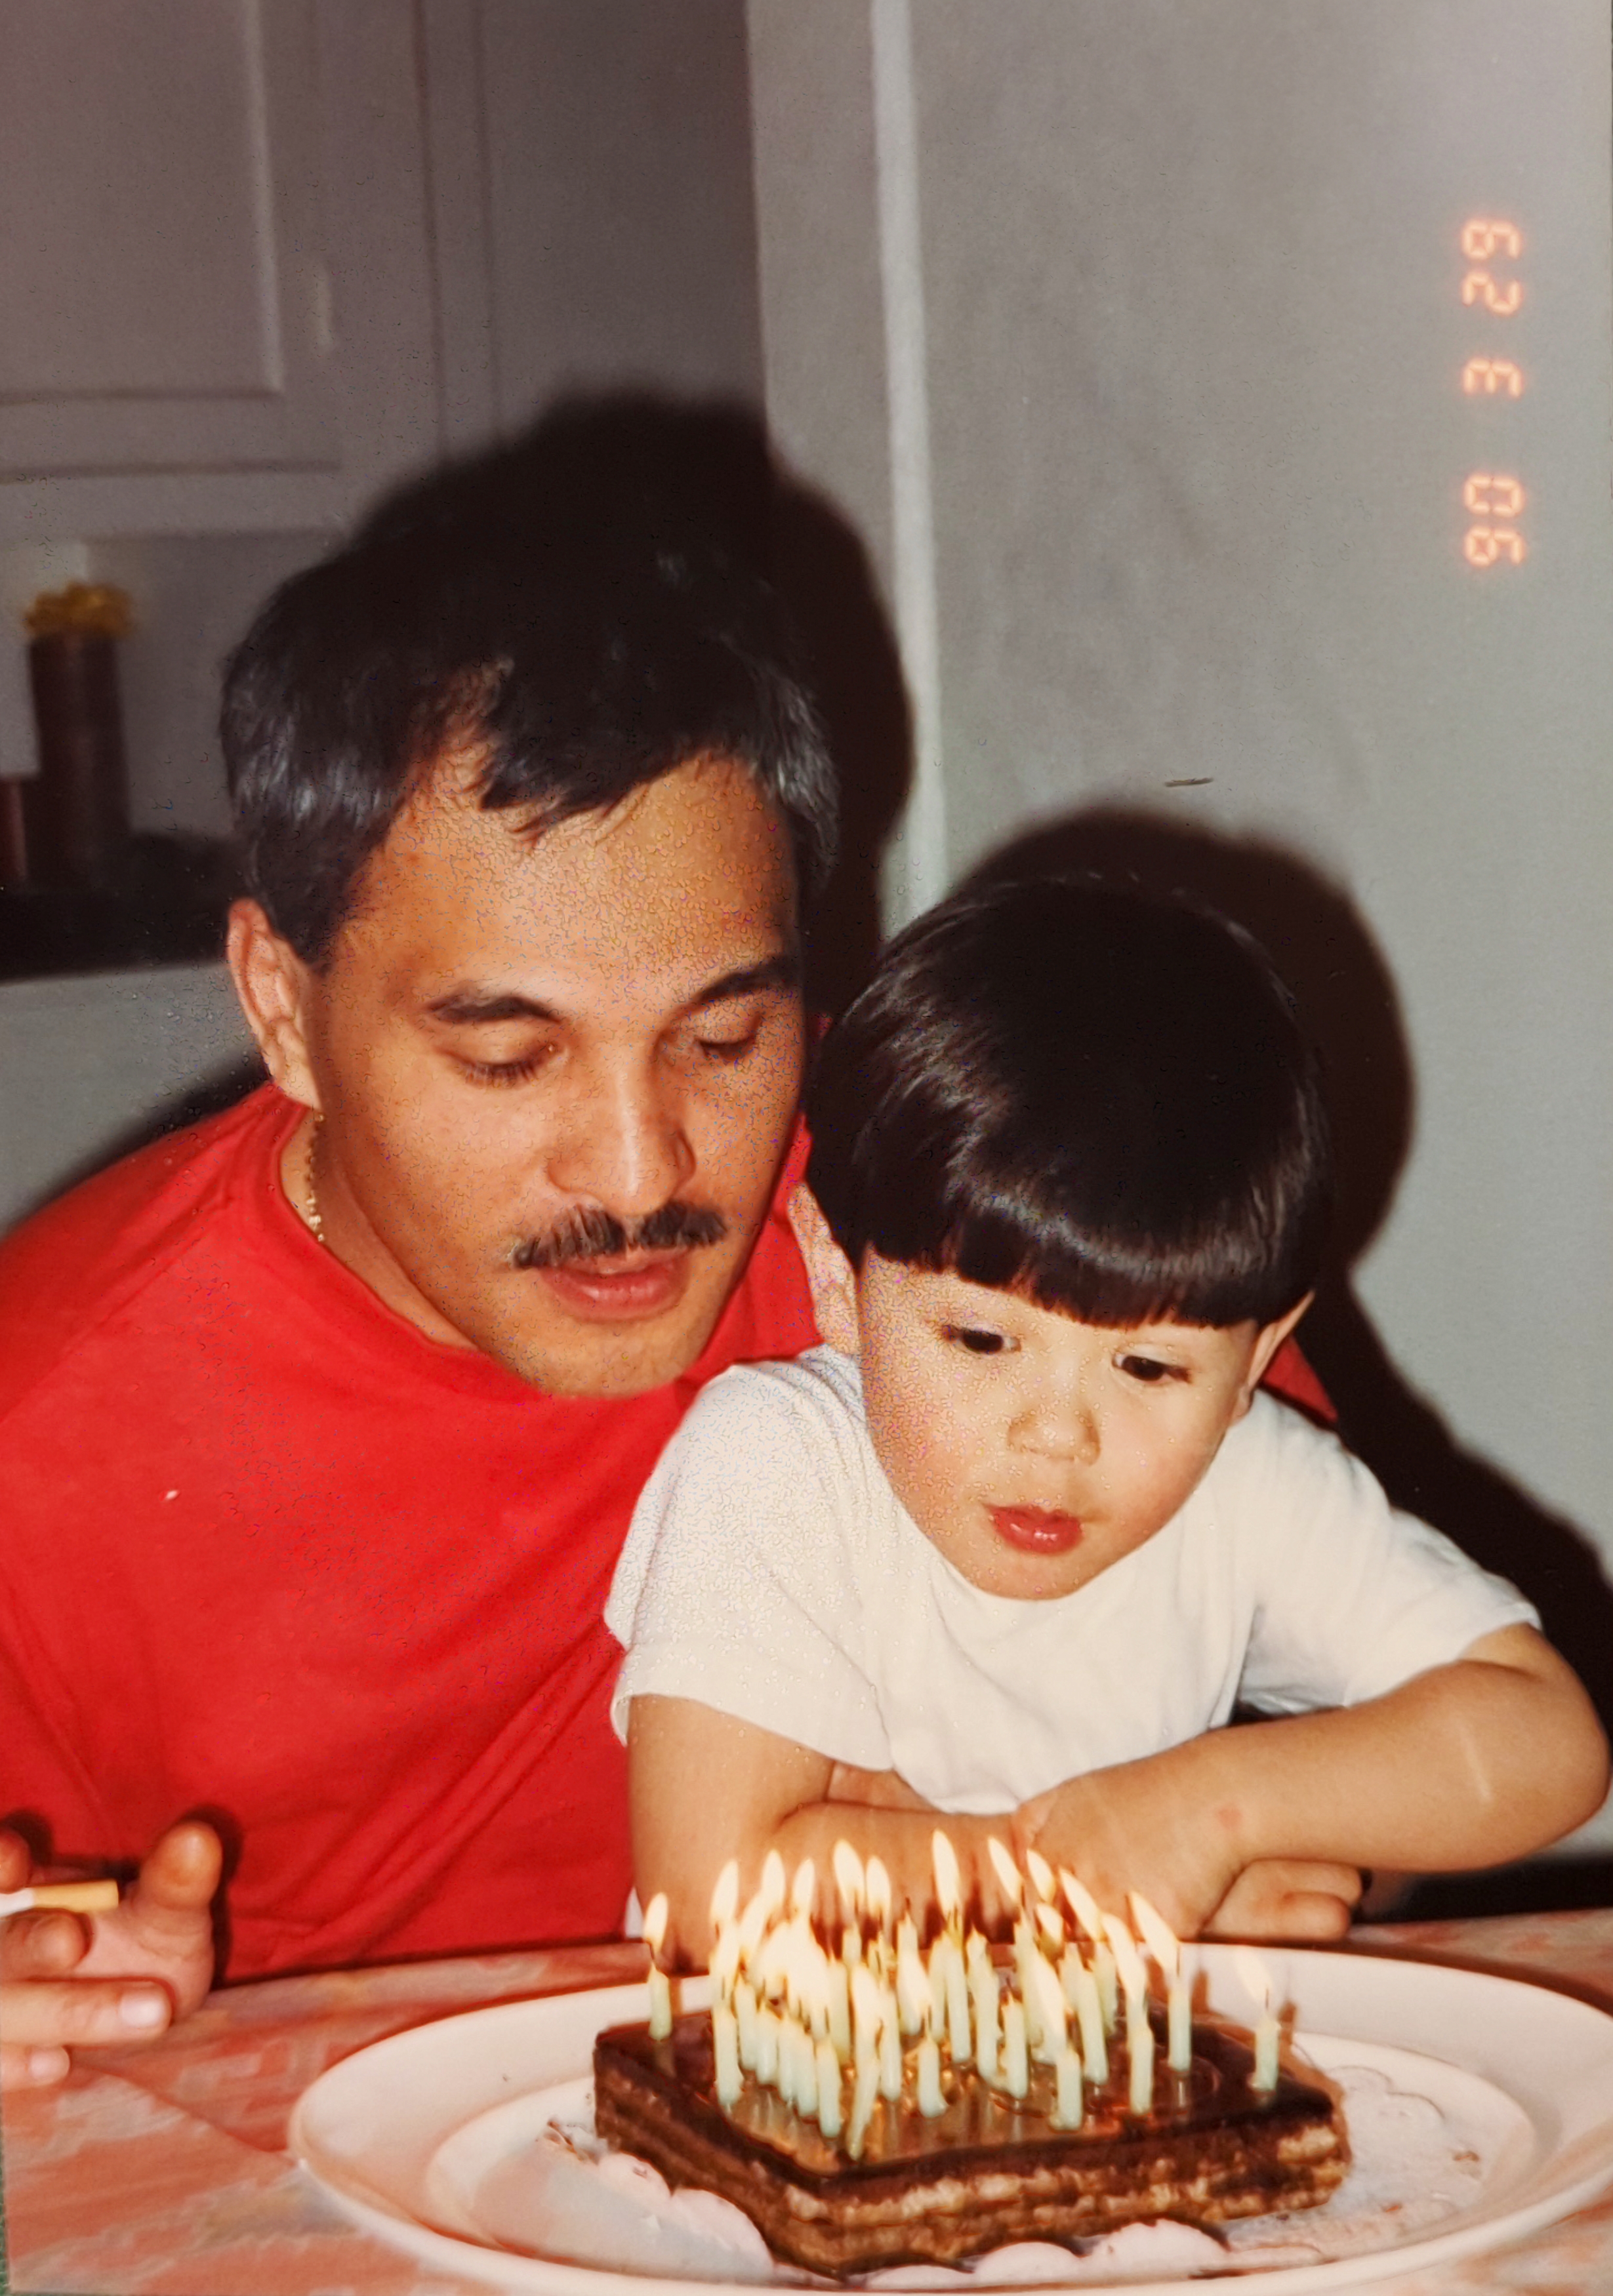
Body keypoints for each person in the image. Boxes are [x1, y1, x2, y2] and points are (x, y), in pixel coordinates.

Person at [0, 501, 838, 2088]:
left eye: (724, 1038)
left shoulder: (926, 1236)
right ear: (285, 1009)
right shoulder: (41, 1423)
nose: (640, 1164)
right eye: (511, 1055)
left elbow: (1359, 1717)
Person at [609, 878, 1609, 1961]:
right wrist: (1117, 1895)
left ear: (1256, 1362)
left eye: (1145, 1365)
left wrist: (1213, 1811)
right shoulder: (777, 1465)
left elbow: (1548, 1746)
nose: (1059, 1436)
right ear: (836, 1279)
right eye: (982, 1343)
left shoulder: (1248, 1487)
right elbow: (709, 1895)